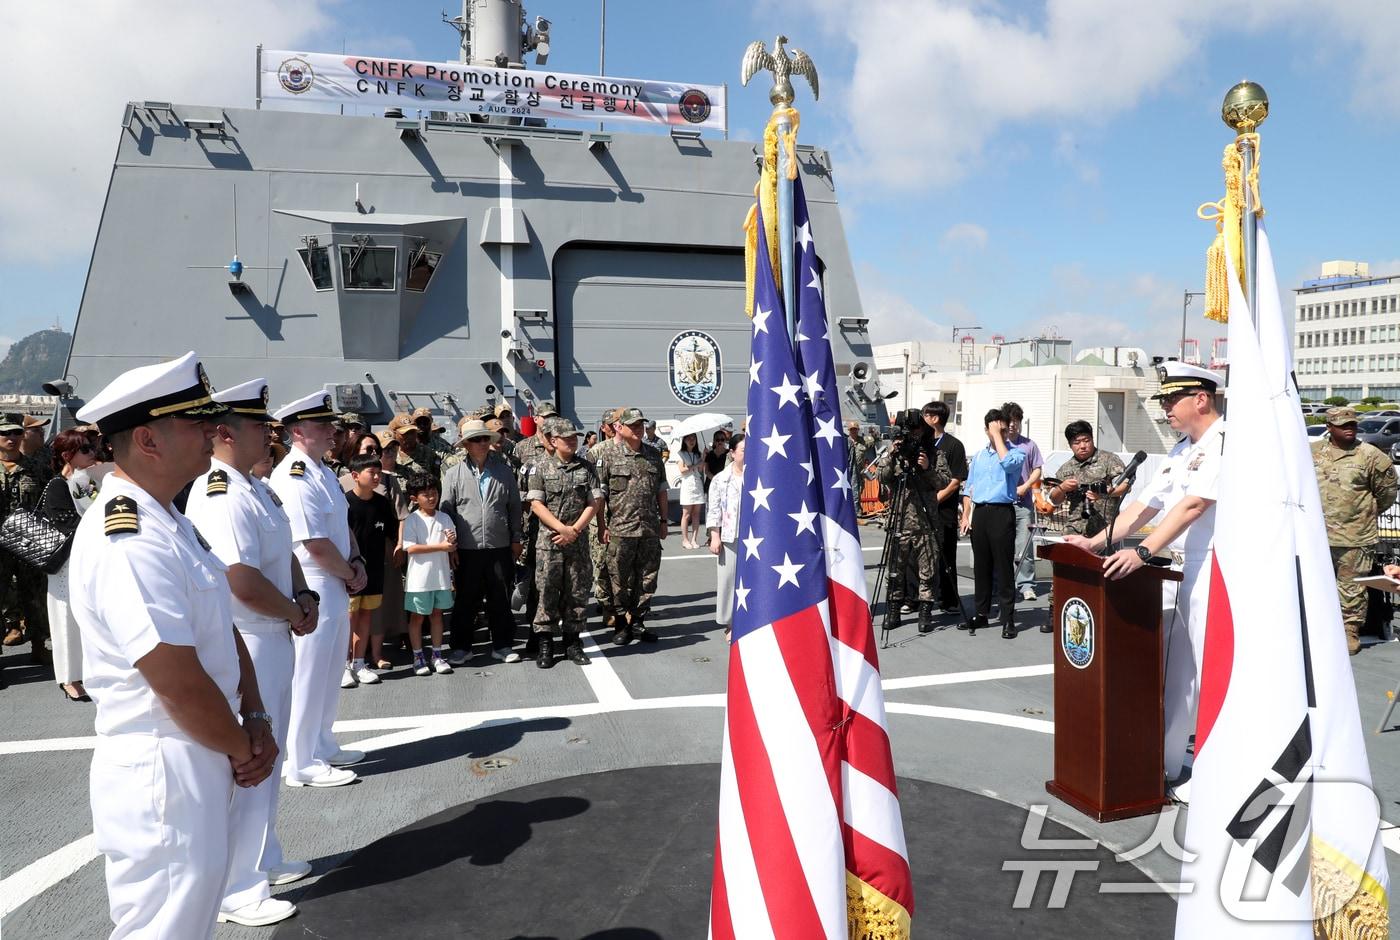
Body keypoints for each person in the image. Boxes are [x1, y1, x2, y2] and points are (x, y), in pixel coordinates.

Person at [68, 351, 278, 938]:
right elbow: (174, 676)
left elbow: (219, 625)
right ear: (147, 440)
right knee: (166, 926)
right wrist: (244, 747)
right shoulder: (128, 534)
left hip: (200, 747)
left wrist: (254, 713)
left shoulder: (169, 520)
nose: (214, 431)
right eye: (195, 421)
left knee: (193, 919)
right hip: (164, 760)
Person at [185, 378, 318, 927]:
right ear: (225, 433)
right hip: (252, 636)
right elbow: (239, 578)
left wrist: (303, 595)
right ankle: (239, 888)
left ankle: (262, 857)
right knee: (253, 755)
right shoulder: (219, 492)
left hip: (276, 631)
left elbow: (282, 552)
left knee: (274, 749)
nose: (269, 434)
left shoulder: (256, 487)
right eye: (258, 427)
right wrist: (292, 611)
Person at [1064, 362, 1224, 791]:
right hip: (1184, 568)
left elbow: (1194, 506)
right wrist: (1095, 543)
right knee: (1181, 672)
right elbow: (1143, 507)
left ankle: (1212, 770)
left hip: (1219, 569)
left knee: (1209, 672)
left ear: (1201, 399)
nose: (1166, 409)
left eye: (1172, 400)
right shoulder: (1180, 450)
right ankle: (1171, 767)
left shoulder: (1225, 443)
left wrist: (1142, 552)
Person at [270, 392, 368, 789]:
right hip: (314, 581)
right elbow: (312, 542)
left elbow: (340, 527)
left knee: (329, 670)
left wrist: (356, 563)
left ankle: (323, 743)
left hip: (337, 577)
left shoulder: (323, 471)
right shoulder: (294, 476)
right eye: (323, 425)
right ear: (297, 431)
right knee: (309, 674)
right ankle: (302, 761)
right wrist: (349, 571)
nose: (333, 432)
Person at [1313, 406, 1398, 655]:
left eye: (1352, 424)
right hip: (1317, 536)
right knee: (1318, 584)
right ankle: (1320, 629)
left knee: (1352, 587)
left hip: (1355, 536)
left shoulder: (1371, 456)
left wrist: (1362, 514)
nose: (1350, 428)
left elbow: (1387, 493)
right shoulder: (1313, 453)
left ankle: (1349, 631)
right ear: (1329, 427)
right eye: (1343, 425)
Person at [439, 419, 523, 666]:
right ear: (466, 444)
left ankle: (502, 645)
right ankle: (461, 647)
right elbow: (446, 511)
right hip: (466, 547)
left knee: (500, 597)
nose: (483, 443)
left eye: (486, 438)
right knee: (466, 599)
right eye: (477, 439)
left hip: (499, 545)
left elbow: (514, 507)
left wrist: (516, 538)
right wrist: (450, 546)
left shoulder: (504, 471)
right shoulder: (453, 474)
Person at [524, 418, 603, 667]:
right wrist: (561, 528)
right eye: (566, 437)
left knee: (577, 593)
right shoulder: (539, 467)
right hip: (550, 543)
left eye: (574, 437)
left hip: (577, 542)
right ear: (553, 440)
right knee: (546, 592)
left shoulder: (587, 467)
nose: (572, 441)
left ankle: (572, 643)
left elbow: (594, 502)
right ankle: (546, 645)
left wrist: (575, 530)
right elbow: (536, 504)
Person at [594, 407, 669, 644]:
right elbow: (600, 496)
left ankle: (638, 622)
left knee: (647, 578)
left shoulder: (654, 456)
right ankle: (620, 624)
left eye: (641, 425)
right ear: (620, 428)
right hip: (620, 529)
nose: (638, 429)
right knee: (618, 579)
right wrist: (601, 525)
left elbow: (662, 491)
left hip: (648, 528)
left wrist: (664, 521)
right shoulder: (608, 456)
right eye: (633, 425)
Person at [41, 429, 100, 702]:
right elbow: (68, 524)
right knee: (65, 619)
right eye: (85, 449)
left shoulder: (85, 481)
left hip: (86, 559)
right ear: (68, 455)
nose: (92, 453)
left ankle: (86, 672)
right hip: (65, 562)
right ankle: (68, 678)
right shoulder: (57, 486)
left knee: (85, 618)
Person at [879, 414, 949, 633]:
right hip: (899, 521)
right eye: (910, 431)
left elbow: (943, 482)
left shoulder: (935, 454)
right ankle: (893, 611)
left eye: (918, 431)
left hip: (926, 523)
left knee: (927, 570)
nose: (914, 436)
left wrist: (926, 468)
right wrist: (891, 455)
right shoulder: (896, 454)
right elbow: (882, 477)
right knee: (895, 571)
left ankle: (925, 612)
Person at [960, 409, 1026, 639]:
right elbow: (969, 486)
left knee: (1003, 566)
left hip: (1002, 511)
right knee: (982, 565)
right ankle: (982, 612)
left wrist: (999, 436)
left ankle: (1008, 617)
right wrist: (966, 514)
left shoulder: (1017, 453)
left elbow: (1008, 465)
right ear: (985, 429)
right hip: (981, 512)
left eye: (1003, 428)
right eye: (993, 427)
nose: (998, 431)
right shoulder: (978, 456)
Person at [343, 453, 399, 685]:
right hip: (349, 572)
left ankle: (359, 663)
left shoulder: (382, 504)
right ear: (355, 476)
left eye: (379, 473)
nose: (377, 477)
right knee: (349, 618)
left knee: (366, 616)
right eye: (371, 472)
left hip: (375, 571)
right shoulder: (344, 503)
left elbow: (391, 533)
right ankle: (343, 666)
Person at [0, 412, 47, 657]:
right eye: (6, 433)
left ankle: (39, 645)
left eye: (17, 432)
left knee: (34, 596)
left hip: (29, 540)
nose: (12, 437)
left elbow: (48, 499)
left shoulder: (36, 467)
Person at [401, 474, 457, 675]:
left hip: (441, 577)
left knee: (437, 615)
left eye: (434, 493)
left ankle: (437, 655)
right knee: (417, 617)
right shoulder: (412, 519)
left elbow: (451, 546)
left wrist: (451, 543)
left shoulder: (445, 517)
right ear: (415, 498)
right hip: (419, 580)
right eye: (426, 494)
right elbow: (410, 548)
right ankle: (418, 657)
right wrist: (441, 546)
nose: (432, 498)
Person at [1046, 421, 1130, 538]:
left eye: (1086, 441)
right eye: (1077, 442)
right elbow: (1054, 500)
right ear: (1070, 445)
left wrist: (1103, 494)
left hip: (1105, 530)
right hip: (1074, 529)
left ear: (1092, 439)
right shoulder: (1065, 468)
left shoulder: (1108, 459)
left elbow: (1125, 486)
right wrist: (1062, 488)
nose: (1083, 446)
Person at [922, 401, 968, 614]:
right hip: (920, 511)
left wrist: (935, 499)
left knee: (946, 555)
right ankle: (919, 598)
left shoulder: (954, 445)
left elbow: (956, 480)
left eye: (926, 415)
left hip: (944, 511)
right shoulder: (921, 443)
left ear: (935, 418)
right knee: (920, 554)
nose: (923, 419)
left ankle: (949, 600)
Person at [1001, 403, 1044, 602]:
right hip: (1001, 503)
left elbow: (1037, 469)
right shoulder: (997, 445)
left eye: (1016, 421)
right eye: (1009, 421)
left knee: (1024, 546)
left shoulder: (1029, 445)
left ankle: (1026, 584)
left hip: (1023, 502)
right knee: (1000, 547)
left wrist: (1026, 486)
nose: (1013, 425)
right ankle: (1001, 584)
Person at [706, 433, 746, 636]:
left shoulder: (758, 477)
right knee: (728, 579)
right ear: (732, 453)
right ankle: (730, 623)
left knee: (752, 579)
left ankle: (750, 619)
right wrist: (715, 535)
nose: (747, 455)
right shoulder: (722, 479)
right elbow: (713, 509)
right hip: (730, 535)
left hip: (754, 535)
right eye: (743, 451)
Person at [589, 407, 622, 632]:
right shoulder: (596, 452)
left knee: (623, 564)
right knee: (601, 563)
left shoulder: (630, 448)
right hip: (600, 515)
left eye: (618, 423)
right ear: (604, 428)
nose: (615, 428)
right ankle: (606, 606)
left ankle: (623, 606)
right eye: (611, 425)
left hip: (624, 517)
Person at [676, 433, 705, 549]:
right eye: (689, 438)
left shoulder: (697, 454)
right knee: (686, 514)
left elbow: (700, 469)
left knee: (696, 514)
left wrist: (703, 458)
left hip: (697, 484)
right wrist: (695, 465)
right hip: (687, 485)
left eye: (693, 438)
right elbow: (682, 470)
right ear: (684, 440)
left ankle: (694, 539)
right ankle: (685, 539)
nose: (691, 441)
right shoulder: (681, 454)